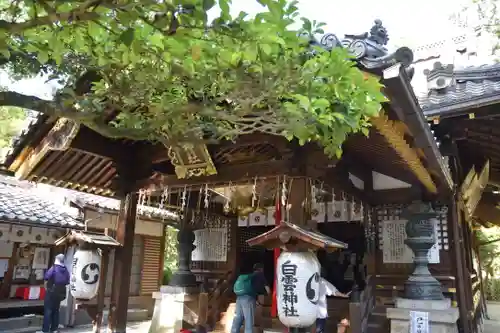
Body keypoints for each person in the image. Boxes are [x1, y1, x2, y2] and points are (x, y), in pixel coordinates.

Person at [231, 263, 270, 333]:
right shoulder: (260, 275)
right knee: (249, 320)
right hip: (248, 299)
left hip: (239, 298)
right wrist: (269, 296)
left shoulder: (248, 277)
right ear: (261, 269)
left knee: (238, 318)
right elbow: (268, 290)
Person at [38, 253, 70, 333]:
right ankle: (54, 329)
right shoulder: (65, 269)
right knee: (56, 310)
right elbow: (67, 281)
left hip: (52, 291)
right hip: (61, 292)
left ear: (57, 259)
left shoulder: (54, 268)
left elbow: (46, 277)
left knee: (48, 310)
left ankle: (45, 330)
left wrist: (46, 288)